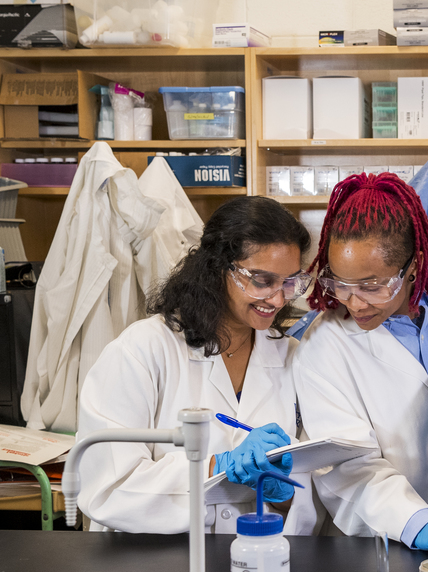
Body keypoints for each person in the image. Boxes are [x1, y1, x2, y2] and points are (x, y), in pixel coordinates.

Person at [77, 195, 316, 534]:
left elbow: (310, 495)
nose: (278, 299)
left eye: (289, 282)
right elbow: (107, 488)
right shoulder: (142, 351)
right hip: (149, 570)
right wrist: (216, 467)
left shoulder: (291, 356)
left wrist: (283, 493)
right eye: (262, 281)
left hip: (256, 558)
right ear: (219, 269)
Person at [293, 173, 428, 554]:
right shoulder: (324, 344)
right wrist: (417, 521)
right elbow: (344, 466)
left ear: (413, 265)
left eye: (372, 285)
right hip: (383, 547)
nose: (354, 302)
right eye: (339, 284)